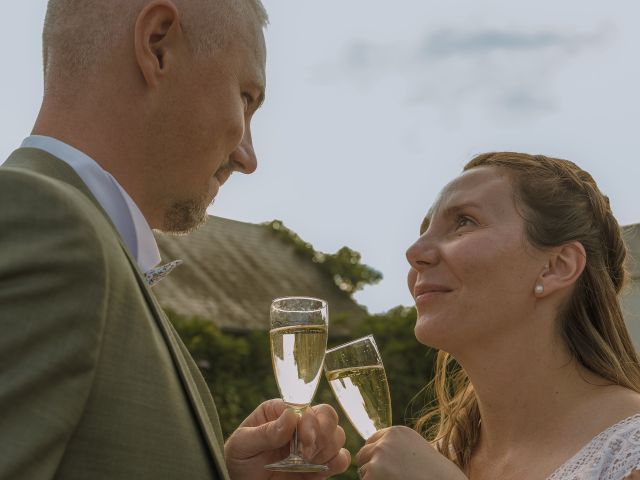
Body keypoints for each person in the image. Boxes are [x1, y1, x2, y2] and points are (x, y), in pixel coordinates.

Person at [0, 1, 349, 479]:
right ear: (158, 46)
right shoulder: (45, 224)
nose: (248, 157)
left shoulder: (81, 241)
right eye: (245, 98)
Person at [356, 152, 640, 479]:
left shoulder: (629, 452)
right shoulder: (433, 462)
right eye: (424, 230)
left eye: (464, 221)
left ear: (556, 267)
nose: (414, 252)